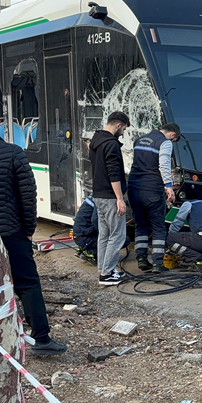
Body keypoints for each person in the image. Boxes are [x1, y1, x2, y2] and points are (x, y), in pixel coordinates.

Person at [0, 101, 66, 356]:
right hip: (12, 231)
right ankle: (42, 339)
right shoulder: (13, 152)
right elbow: (28, 195)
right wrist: (29, 228)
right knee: (27, 284)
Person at [128, 123, 180, 273]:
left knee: (141, 225)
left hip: (134, 188)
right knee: (158, 227)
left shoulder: (139, 140)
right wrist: (169, 187)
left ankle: (142, 259)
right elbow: (163, 165)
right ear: (172, 135)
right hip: (152, 189)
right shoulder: (165, 142)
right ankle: (158, 263)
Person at [90, 111, 130, 286]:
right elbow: (113, 173)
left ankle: (104, 269)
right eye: (124, 129)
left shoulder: (95, 141)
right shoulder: (111, 144)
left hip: (98, 195)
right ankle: (106, 274)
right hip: (110, 196)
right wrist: (120, 199)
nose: (123, 133)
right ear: (118, 125)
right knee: (117, 235)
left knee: (104, 235)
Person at [73, 195, 99, 264]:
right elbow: (95, 220)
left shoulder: (93, 197)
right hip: (83, 238)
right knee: (121, 240)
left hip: (78, 235)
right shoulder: (99, 199)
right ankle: (90, 252)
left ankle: (83, 248)